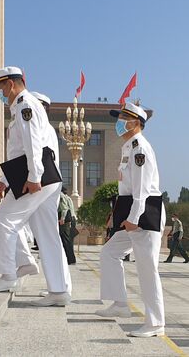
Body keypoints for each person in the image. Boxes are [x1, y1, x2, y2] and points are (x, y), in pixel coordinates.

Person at [0, 68, 71, 307]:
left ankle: (9, 274)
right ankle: (59, 290)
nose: (1, 94)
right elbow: (21, 151)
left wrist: (34, 176)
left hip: (37, 176)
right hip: (46, 176)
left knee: (3, 218)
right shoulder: (24, 105)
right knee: (47, 234)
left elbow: (32, 145)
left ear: (9, 84)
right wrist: (7, 179)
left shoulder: (24, 104)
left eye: (0, 88)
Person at [96, 102, 166, 338]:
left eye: (123, 117)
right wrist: (120, 216)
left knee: (147, 268)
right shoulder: (129, 148)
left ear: (136, 122)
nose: (119, 121)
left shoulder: (140, 149)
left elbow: (143, 189)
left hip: (145, 212)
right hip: (130, 210)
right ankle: (120, 304)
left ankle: (155, 323)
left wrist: (134, 218)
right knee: (109, 253)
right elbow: (127, 188)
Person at [58, 187, 76, 265]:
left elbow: (64, 209)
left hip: (65, 220)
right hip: (71, 219)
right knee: (69, 240)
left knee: (65, 240)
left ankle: (69, 259)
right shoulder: (68, 198)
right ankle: (70, 259)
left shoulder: (60, 196)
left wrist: (62, 218)